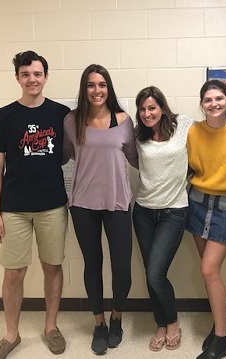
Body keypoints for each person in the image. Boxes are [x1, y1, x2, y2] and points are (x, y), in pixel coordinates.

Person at [0, 51, 70, 359]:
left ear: (46, 77)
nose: (31, 79)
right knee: (13, 273)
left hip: (52, 206)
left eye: (37, 74)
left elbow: (76, 153)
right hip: (14, 208)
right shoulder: (2, 117)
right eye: (25, 74)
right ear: (18, 78)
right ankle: (11, 334)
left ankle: (51, 327)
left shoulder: (62, 115)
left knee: (52, 266)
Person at [62, 64, 138, 356]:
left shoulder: (123, 120)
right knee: (92, 265)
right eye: (91, 85)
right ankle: (99, 324)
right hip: (82, 204)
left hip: (118, 202)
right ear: (84, 89)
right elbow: (63, 156)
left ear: (109, 88)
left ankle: (117, 317)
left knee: (121, 267)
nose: (97, 90)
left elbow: (135, 158)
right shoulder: (71, 121)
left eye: (102, 84)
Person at [186, 79, 226, 359]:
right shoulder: (194, 131)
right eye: (208, 100)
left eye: (219, 99)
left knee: (209, 270)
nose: (214, 104)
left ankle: (221, 340)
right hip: (197, 201)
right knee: (208, 272)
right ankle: (218, 326)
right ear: (201, 104)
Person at [132, 86, 194, 352]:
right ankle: (160, 323)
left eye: (152, 108)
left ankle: (173, 321)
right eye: (143, 109)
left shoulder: (183, 126)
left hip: (173, 211)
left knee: (157, 272)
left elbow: (216, 121)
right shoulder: (137, 136)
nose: (147, 113)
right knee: (150, 272)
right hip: (143, 210)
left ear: (163, 108)